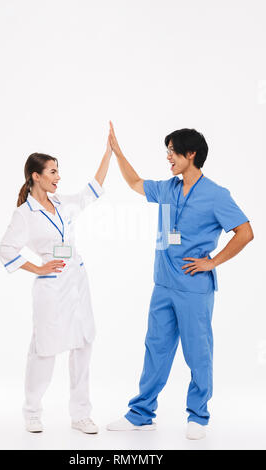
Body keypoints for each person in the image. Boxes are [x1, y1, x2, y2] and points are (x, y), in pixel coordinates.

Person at [107, 122, 254, 440]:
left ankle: (198, 416)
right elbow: (134, 182)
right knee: (155, 349)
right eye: (167, 151)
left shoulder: (216, 195)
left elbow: (245, 232)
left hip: (193, 288)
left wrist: (212, 262)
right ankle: (141, 413)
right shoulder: (168, 188)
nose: (168, 157)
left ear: (191, 154)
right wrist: (118, 152)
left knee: (198, 352)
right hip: (163, 285)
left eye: (173, 152)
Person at [0, 141, 111, 434]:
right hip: (50, 288)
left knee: (84, 343)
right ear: (36, 176)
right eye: (53, 171)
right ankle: (32, 411)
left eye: (58, 171)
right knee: (45, 349)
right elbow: (6, 250)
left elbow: (93, 189)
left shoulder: (63, 204)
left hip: (77, 282)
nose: (58, 177)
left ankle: (81, 414)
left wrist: (109, 152)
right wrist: (37, 267)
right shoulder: (25, 214)